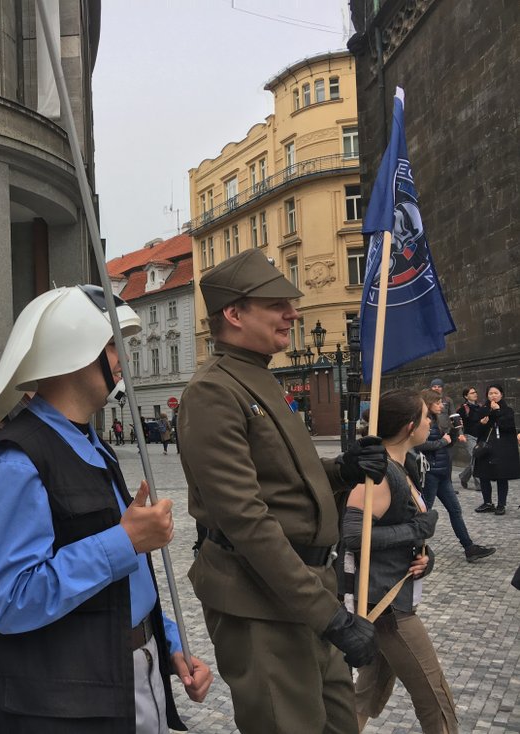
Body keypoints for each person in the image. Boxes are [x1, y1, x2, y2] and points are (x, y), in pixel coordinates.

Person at [0, 285, 212, 733]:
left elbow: (127, 583)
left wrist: (168, 640)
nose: (123, 360)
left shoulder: (94, 445)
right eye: (114, 345)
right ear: (72, 348)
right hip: (69, 702)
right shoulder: (17, 458)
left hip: (135, 670)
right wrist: (125, 541)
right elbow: (10, 600)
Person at [178, 248, 384, 734]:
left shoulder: (259, 379)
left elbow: (286, 482)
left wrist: (343, 471)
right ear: (234, 313)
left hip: (306, 591)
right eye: (276, 304)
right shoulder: (213, 391)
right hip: (260, 603)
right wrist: (330, 618)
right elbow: (246, 520)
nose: (293, 314)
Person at [342, 388, 458, 733]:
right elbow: (353, 537)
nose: (430, 423)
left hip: (395, 596)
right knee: (437, 703)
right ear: (410, 426)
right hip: (388, 609)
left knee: (366, 697)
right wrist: (415, 530)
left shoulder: (404, 466)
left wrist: (426, 555)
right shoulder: (379, 475)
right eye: (426, 417)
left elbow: (404, 532)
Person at [416, 390, 495, 563]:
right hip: (431, 474)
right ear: (428, 403)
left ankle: (469, 548)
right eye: (437, 402)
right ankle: (413, 548)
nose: (441, 405)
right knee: (424, 514)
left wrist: (454, 431)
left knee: (455, 510)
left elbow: (445, 442)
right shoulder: (422, 421)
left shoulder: (436, 421)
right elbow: (419, 444)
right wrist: (442, 441)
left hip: (443, 473)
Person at [473, 384, 520, 515]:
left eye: (496, 393)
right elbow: (476, 430)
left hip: (502, 448)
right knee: (483, 475)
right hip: (486, 448)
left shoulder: (508, 410)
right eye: (490, 393)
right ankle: (487, 502)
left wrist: (498, 411)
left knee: (501, 476)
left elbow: (507, 426)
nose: (493, 396)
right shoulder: (483, 410)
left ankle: (501, 504)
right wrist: (482, 424)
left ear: (501, 394)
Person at [457, 386, 486, 490]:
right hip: (469, 437)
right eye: (472, 393)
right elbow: (458, 423)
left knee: (474, 459)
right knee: (477, 458)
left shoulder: (480, 407)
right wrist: (461, 434)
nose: (475, 394)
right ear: (466, 396)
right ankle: (479, 484)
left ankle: (463, 476)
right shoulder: (463, 409)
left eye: (475, 392)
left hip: (480, 437)